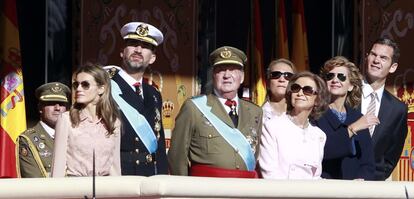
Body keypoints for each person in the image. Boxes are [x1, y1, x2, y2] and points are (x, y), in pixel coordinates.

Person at [168, 46, 262, 178]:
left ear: (242, 77)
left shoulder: (255, 111)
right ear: (213, 75)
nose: (227, 75)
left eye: (233, 70)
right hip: (207, 189)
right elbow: (177, 156)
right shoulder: (194, 107)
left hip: (245, 188)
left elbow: (254, 154)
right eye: (221, 70)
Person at [106, 22, 168, 176]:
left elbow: (158, 144)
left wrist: (161, 176)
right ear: (122, 52)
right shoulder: (105, 88)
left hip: (150, 176)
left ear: (152, 58)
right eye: (133, 44)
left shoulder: (153, 94)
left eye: (145, 46)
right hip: (118, 174)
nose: (138, 50)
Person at [51, 64, 121, 177]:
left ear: (101, 89)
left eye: (85, 85)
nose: (78, 89)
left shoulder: (113, 122)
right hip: (76, 189)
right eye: (76, 84)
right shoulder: (66, 120)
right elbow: (57, 169)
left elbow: (115, 167)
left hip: (106, 190)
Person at [258, 71, 329, 179]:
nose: (300, 93)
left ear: (317, 100)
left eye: (307, 90)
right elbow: (270, 174)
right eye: (296, 88)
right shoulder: (272, 127)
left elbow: (315, 177)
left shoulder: (319, 135)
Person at [316, 56, 375, 180]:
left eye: (341, 77)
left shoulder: (358, 118)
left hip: (354, 192)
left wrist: (361, 179)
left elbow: (368, 163)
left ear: (351, 86)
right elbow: (322, 152)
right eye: (330, 76)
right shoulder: (315, 115)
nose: (335, 80)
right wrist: (352, 129)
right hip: (324, 189)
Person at [361, 38, 408, 180]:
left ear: (392, 67)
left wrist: (376, 179)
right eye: (373, 55)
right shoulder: (347, 94)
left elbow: (391, 155)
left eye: (383, 58)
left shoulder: (397, 109)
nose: (376, 60)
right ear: (366, 58)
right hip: (337, 183)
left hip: (372, 187)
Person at [17, 82, 71, 177]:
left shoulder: (74, 135)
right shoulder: (28, 140)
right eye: (51, 103)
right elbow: (36, 183)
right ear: (40, 108)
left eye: (61, 104)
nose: (57, 108)